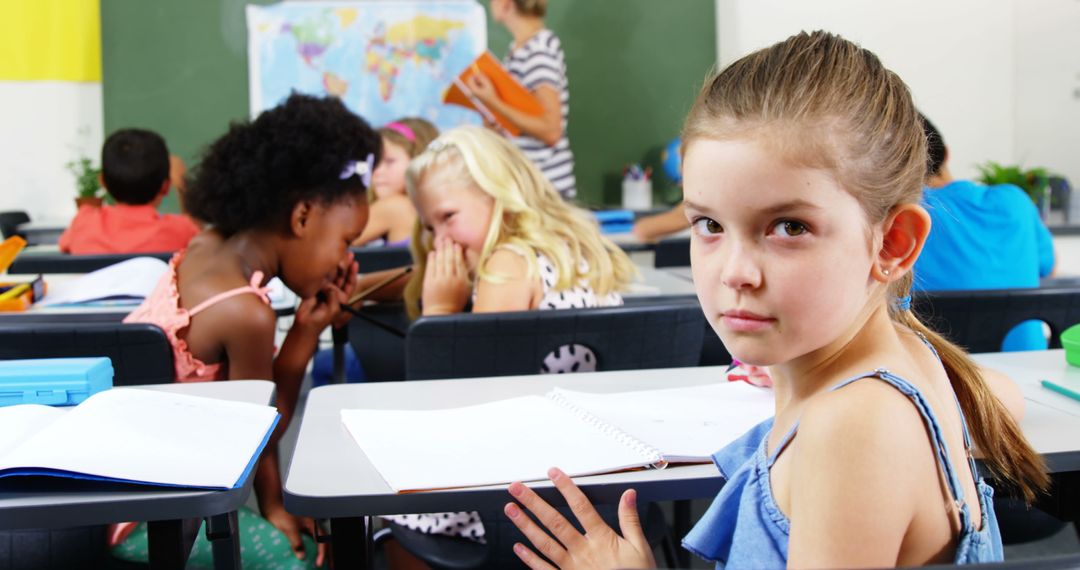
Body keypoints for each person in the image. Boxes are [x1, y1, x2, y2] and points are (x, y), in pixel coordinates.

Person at [498, 31, 1046, 569]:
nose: (735, 273)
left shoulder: (851, 427)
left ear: (893, 243)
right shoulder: (912, 356)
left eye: (789, 227)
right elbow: (1001, 397)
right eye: (708, 224)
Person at [113, 94, 379, 569]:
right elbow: (263, 429)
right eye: (346, 241)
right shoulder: (245, 313)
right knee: (296, 558)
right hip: (155, 517)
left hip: (122, 484)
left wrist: (306, 323)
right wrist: (277, 509)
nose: (345, 260)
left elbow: (246, 407)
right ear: (301, 217)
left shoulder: (206, 244)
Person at [383, 124, 635, 546]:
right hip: (597, 476)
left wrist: (440, 312)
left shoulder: (506, 265)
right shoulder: (565, 246)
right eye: (429, 227)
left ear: (499, 197)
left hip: (523, 489)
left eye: (448, 217)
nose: (439, 240)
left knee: (397, 504)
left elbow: (462, 407)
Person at [914, 114, 1056, 351]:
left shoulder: (905, 216)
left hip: (941, 370)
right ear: (947, 153)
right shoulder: (1015, 201)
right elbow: (1048, 267)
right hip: (1028, 367)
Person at [467, 0, 576, 199]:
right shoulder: (518, 49)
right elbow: (525, 117)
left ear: (506, 4)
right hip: (526, 183)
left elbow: (551, 129)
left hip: (545, 188)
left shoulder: (538, 50)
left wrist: (493, 102)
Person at [58, 128, 200, 255]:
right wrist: (182, 185)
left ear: (102, 182)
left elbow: (64, 246)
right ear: (166, 186)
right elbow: (200, 239)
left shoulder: (84, 222)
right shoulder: (180, 230)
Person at [352, 117, 438, 248]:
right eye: (375, 161)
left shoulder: (395, 206)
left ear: (419, 161)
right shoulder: (426, 212)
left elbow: (330, 240)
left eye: (389, 161)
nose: (377, 171)